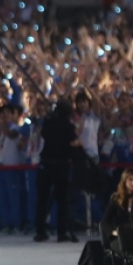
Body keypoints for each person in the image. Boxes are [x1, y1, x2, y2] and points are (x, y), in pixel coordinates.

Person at [35, 98, 80, 243]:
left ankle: (40, 231)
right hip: (61, 165)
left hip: (46, 164)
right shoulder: (68, 126)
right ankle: (62, 232)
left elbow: (44, 134)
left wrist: (49, 117)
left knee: (43, 200)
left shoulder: (48, 123)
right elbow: (74, 142)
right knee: (63, 200)